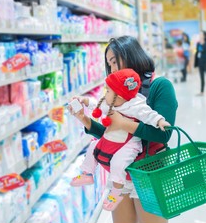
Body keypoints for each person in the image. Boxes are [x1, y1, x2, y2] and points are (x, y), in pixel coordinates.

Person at [68, 36, 178, 223]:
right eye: (109, 64)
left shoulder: (160, 85)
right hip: (120, 172)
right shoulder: (116, 92)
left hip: (150, 170)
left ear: (131, 56)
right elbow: (113, 137)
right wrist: (85, 120)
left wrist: (123, 123)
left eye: (114, 61)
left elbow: (164, 134)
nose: (112, 69)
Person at [70, 68, 170, 212]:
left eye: (108, 91)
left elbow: (149, 114)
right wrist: (84, 100)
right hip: (111, 138)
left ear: (120, 95)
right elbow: (96, 103)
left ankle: (116, 192)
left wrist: (160, 121)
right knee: (93, 147)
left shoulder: (135, 105)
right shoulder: (111, 103)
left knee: (118, 163)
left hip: (130, 144)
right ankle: (87, 174)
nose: (105, 94)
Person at [194, 31, 206, 96]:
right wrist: (196, 64)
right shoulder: (198, 44)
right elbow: (197, 53)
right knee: (201, 78)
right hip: (200, 63)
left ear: (204, 36)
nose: (200, 35)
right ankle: (201, 92)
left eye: (201, 34)